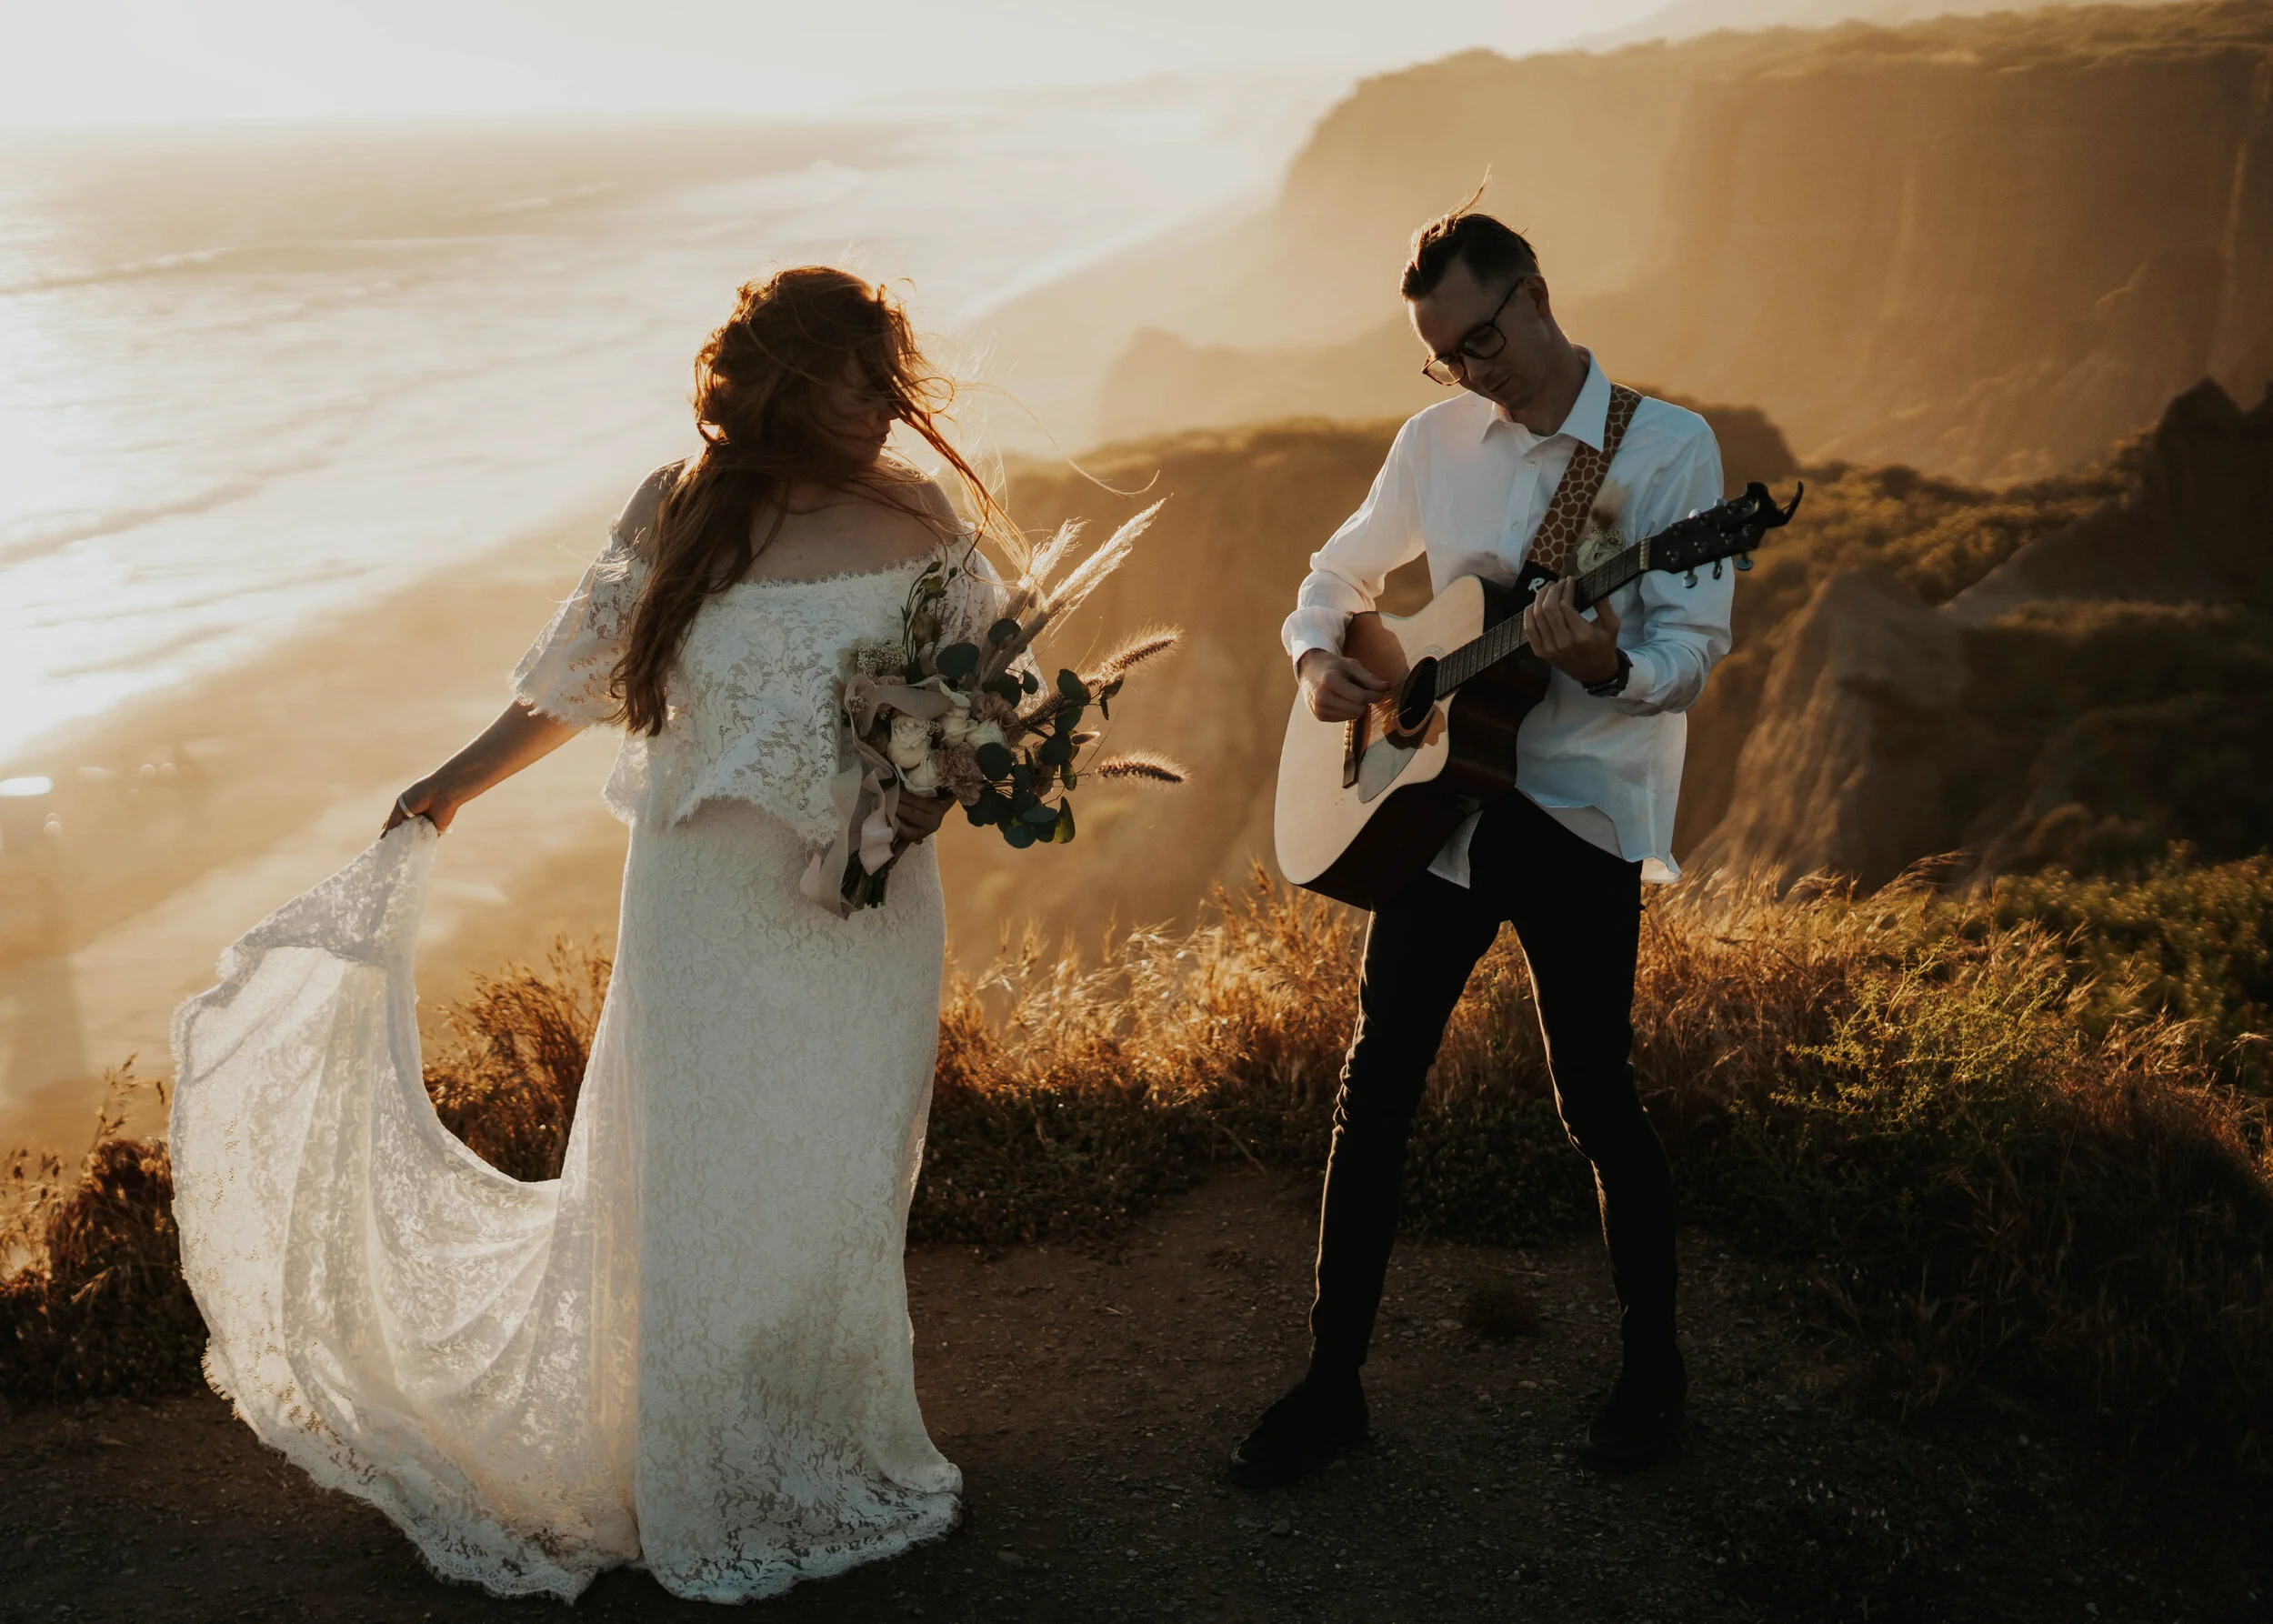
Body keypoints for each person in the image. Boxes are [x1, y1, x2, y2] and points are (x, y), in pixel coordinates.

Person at [168, 267, 1007, 1601]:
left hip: (870, 910)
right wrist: (450, 783)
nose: (886, 408)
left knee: (837, 1174)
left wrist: (929, 792)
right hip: (703, 907)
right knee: (698, 1182)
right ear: (792, 383)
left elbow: (989, 691)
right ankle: (695, 1462)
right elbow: (577, 677)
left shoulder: (923, 512)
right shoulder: (679, 506)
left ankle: (818, 1436)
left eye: (891, 381)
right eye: (862, 382)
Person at [1230, 197, 1732, 1484]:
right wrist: (1319, 664)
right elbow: (1333, 577)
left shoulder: (1668, 452)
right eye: (1445, 357)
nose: (1469, 372)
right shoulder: (1435, 440)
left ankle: (1654, 1376)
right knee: (1377, 1085)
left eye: (1482, 341)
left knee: (1596, 1094)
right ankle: (1331, 1387)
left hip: (1575, 813)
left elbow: (1689, 653)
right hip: (1437, 813)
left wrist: (1606, 661)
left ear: (1535, 292)